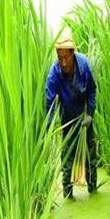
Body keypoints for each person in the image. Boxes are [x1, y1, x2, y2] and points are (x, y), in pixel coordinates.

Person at [46, 28, 97, 199]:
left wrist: (90, 113)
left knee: (90, 154)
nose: (63, 62)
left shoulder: (83, 65)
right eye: (60, 58)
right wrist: (51, 127)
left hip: (84, 117)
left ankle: (93, 188)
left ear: (72, 53)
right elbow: (50, 101)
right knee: (67, 156)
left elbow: (91, 90)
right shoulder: (54, 73)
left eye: (66, 57)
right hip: (67, 118)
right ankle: (68, 194)